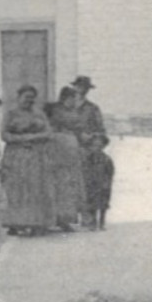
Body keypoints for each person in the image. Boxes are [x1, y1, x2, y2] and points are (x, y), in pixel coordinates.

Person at [0, 86, 54, 236]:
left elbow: (49, 133)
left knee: (35, 188)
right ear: (19, 97)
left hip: (36, 156)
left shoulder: (39, 114)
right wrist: (22, 139)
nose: (29, 100)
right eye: (26, 97)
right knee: (17, 188)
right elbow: (4, 135)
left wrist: (33, 138)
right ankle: (16, 222)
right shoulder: (10, 114)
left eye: (32, 97)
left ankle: (36, 222)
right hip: (15, 155)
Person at [45, 85, 95, 231]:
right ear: (67, 97)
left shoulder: (74, 112)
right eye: (74, 97)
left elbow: (79, 130)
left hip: (71, 149)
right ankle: (51, 218)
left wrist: (85, 137)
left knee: (69, 184)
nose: (76, 101)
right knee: (55, 182)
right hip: (55, 147)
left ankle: (65, 219)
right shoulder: (54, 110)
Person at [81, 133, 115, 231]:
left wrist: (107, 183)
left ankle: (101, 223)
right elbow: (84, 170)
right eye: (94, 145)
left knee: (103, 205)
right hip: (91, 184)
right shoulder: (87, 159)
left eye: (99, 146)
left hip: (103, 185)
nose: (96, 148)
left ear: (103, 147)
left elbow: (110, 173)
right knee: (91, 204)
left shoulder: (107, 159)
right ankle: (93, 223)